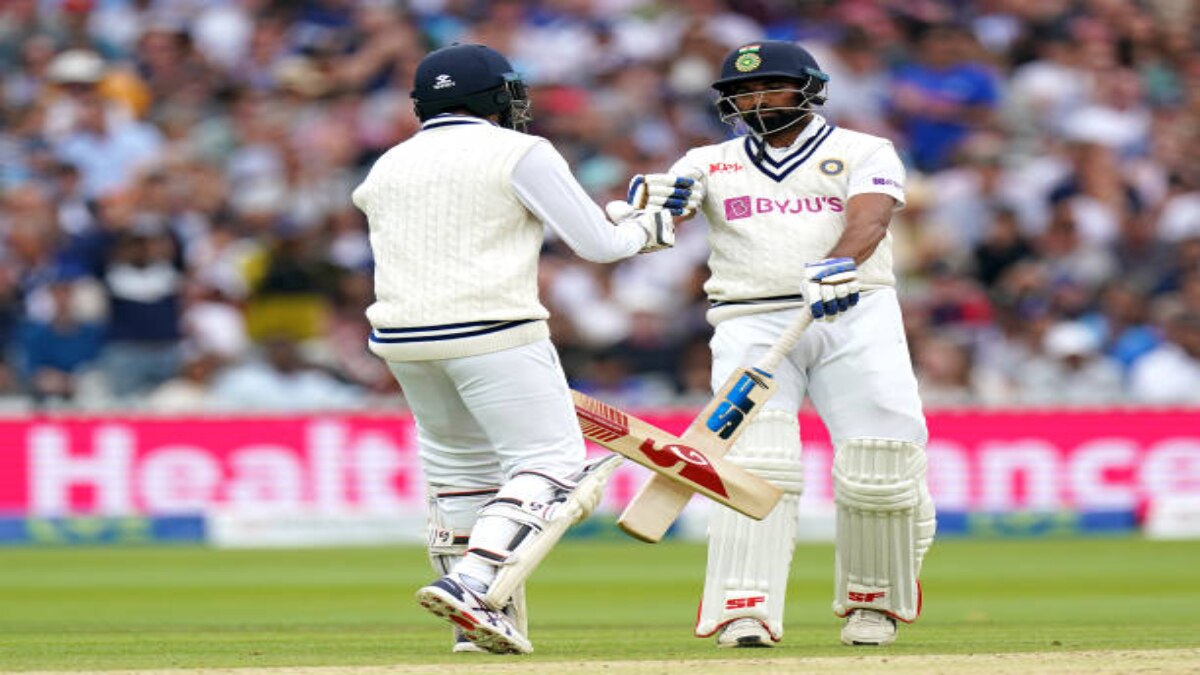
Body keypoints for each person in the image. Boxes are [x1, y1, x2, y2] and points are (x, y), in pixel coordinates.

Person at [350, 43, 699, 655]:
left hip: (401, 341)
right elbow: (598, 245)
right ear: (491, 97)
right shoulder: (521, 150)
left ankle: (476, 630)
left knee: (462, 478)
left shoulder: (387, 164)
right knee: (554, 465)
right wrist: (651, 226)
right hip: (492, 330)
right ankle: (473, 583)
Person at [648, 40, 935, 648]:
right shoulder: (706, 160)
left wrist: (836, 265)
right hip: (750, 320)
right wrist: (650, 209)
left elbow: (872, 219)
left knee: (879, 461)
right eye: (742, 92)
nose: (755, 100)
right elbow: (663, 220)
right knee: (757, 461)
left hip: (853, 309)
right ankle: (742, 607)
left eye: (770, 87)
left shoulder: (863, 149)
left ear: (809, 88)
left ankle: (873, 604)